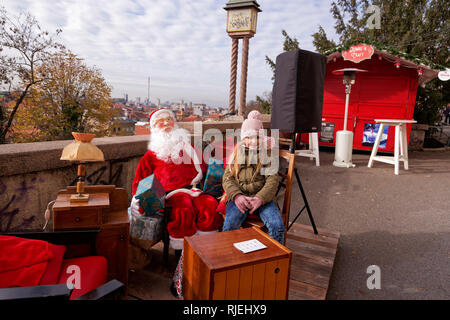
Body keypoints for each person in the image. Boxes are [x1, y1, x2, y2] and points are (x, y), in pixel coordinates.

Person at [129, 108, 223, 256]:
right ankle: (183, 255)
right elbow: (141, 178)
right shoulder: (151, 155)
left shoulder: (189, 148)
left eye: (169, 119)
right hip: (171, 194)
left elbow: (205, 165)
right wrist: (136, 197)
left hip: (195, 190)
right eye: (160, 122)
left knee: (210, 205)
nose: (166, 123)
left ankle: (207, 250)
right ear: (154, 128)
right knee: (183, 210)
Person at [221, 110, 285, 244]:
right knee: (229, 226)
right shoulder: (237, 153)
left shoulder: (267, 154)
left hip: (263, 198)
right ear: (244, 138)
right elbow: (228, 178)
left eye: (257, 137)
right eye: (249, 137)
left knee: (277, 226)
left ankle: (273, 260)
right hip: (240, 196)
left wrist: (260, 198)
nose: (253, 141)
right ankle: (229, 258)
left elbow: (272, 180)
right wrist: (237, 196)